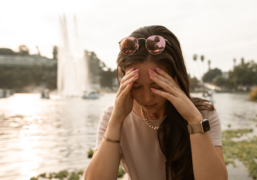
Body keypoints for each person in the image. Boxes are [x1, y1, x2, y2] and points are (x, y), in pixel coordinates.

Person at [84, 26, 228, 180]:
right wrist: (116, 122)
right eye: (136, 86)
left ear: (176, 78)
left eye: (156, 86)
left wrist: (194, 120)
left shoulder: (203, 114)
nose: (146, 98)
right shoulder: (112, 117)